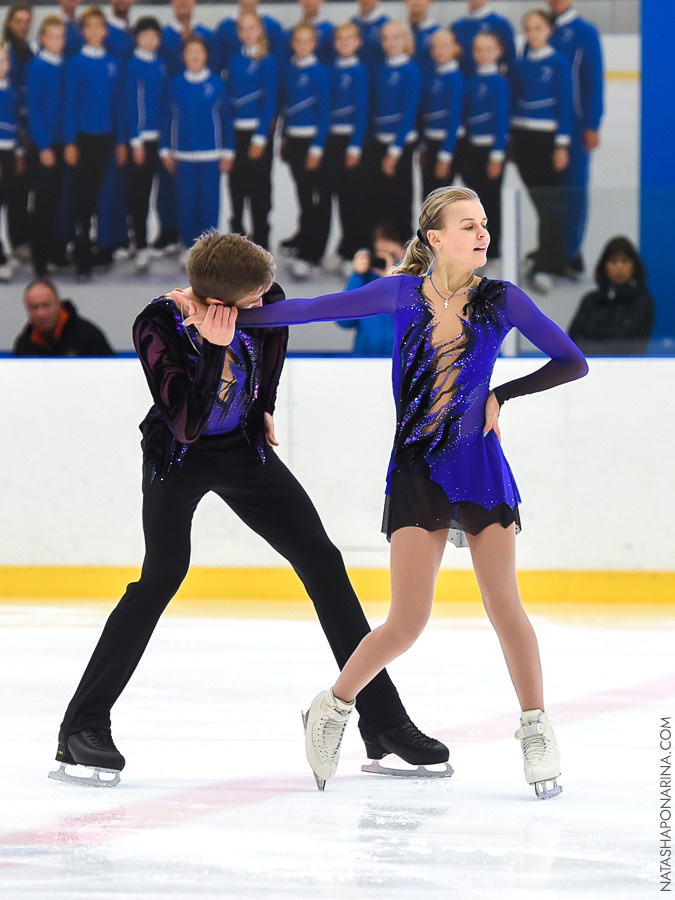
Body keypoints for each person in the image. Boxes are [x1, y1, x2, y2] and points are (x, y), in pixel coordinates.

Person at [49, 229, 448, 787]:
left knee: (322, 561)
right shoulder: (157, 324)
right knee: (162, 575)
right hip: (178, 457)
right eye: (253, 300)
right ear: (219, 302)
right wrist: (214, 348)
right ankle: (82, 726)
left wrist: (261, 405)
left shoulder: (266, 300)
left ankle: (383, 722)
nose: (265, 304)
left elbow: (273, 342)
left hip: (242, 450)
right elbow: (186, 425)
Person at [237, 186, 589, 798]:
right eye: (468, 225)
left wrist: (502, 394)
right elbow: (313, 309)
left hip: (480, 468)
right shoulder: (401, 294)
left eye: (484, 224)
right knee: (407, 620)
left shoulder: (502, 299)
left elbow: (571, 361)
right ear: (435, 237)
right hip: (417, 471)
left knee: (505, 607)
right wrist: (225, 314)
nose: (482, 234)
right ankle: (333, 707)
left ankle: (535, 728)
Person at [511, 9, 572, 294]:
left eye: (539, 28)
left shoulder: (559, 62)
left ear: (549, 31)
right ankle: (548, 255)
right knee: (540, 201)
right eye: (529, 29)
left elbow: (565, 103)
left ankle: (547, 264)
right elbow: (513, 102)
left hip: (547, 139)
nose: (533, 34)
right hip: (523, 138)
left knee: (550, 202)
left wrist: (562, 144)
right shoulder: (520, 65)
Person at [63, 5, 127, 280]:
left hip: (107, 139)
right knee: (83, 196)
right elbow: (69, 104)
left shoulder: (113, 63)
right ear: (82, 31)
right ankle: (82, 252)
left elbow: (119, 106)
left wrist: (121, 141)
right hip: (83, 139)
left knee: (105, 194)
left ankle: (105, 246)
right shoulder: (76, 63)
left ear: (105, 31)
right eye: (89, 27)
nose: (95, 31)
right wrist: (70, 142)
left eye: (99, 26)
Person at [160, 34, 233, 264]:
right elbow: (166, 118)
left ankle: (209, 248)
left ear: (206, 55)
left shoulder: (217, 83)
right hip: (183, 155)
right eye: (190, 52)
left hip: (211, 154)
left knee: (209, 202)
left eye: (199, 52)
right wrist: (165, 149)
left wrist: (228, 150)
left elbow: (226, 119)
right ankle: (189, 246)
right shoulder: (175, 84)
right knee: (186, 202)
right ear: (183, 56)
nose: (195, 56)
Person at [545, 0, 603, 274]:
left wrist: (592, 123)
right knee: (548, 190)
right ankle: (550, 247)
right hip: (544, 125)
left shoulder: (584, 32)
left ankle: (571, 250)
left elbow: (594, 79)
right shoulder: (542, 27)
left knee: (574, 188)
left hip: (577, 125)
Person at [278, 23, 330, 278]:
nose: (302, 45)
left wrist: (317, 148)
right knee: (302, 194)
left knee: (314, 198)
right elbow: (286, 108)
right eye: (298, 41)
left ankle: (312, 252)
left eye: (307, 41)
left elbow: (325, 112)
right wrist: (284, 138)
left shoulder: (319, 72)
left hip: (312, 142)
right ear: (293, 43)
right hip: (295, 141)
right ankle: (304, 238)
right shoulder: (290, 70)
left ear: (314, 44)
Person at [364, 20, 421, 243]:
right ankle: (384, 246)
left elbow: (409, 114)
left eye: (397, 37)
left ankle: (405, 245)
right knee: (380, 197)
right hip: (379, 141)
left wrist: (395, 151)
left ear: (406, 40)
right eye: (386, 38)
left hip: (401, 144)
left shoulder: (411, 71)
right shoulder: (379, 70)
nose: (391, 42)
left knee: (400, 196)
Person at [225, 11, 278, 250]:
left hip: (258, 134)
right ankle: (237, 239)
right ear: (238, 33)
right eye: (243, 29)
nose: (247, 33)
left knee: (259, 188)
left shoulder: (267, 60)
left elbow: (270, 100)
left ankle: (261, 240)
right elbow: (228, 98)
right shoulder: (233, 59)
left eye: (252, 28)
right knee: (236, 187)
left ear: (260, 30)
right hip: (236, 133)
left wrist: (260, 137)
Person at [322, 20, 370, 271]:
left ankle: (355, 250)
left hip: (351, 141)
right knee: (338, 195)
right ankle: (343, 247)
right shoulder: (330, 70)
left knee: (354, 198)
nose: (344, 43)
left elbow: (362, 111)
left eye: (350, 38)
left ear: (358, 42)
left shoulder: (360, 72)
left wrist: (355, 146)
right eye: (340, 38)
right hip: (332, 140)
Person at [459, 30, 509, 262]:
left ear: (499, 52)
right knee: (474, 204)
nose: (483, 54)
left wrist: (497, 155)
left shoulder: (499, 82)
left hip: (490, 151)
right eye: (479, 50)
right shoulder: (472, 79)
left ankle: (494, 251)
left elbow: (502, 121)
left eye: (489, 49)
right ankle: (476, 248)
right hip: (472, 149)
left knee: (490, 204)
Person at [27, 16, 68, 278]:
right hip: (44, 146)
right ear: (42, 38)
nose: (57, 41)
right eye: (52, 36)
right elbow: (34, 109)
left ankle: (54, 251)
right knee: (42, 202)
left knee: (56, 200)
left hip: (62, 143)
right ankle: (39, 257)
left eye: (60, 36)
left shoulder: (64, 65)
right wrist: (43, 146)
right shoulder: (37, 66)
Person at [126, 16, 167, 273]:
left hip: (160, 140)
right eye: (145, 36)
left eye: (154, 36)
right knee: (139, 194)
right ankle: (139, 243)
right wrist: (135, 140)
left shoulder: (161, 64)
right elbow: (130, 104)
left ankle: (162, 237)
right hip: (141, 141)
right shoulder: (132, 65)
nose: (150, 41)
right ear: (137, 38)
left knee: (159, 192)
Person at [568, 236, 654, 356]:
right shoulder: (590, 300)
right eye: (613, 261)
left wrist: (594, 332)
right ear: (604, 266)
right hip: (589, 362)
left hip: (629, 363)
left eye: (625, 261)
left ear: (634, 266)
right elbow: (573, 338)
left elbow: (627, 339)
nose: (619, 267)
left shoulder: (642, 302)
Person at [336, 223, 402, 356]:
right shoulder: (364, 282)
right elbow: (344, 321)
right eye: (381, 256)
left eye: (393, 255)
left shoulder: (416, 281)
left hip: (402, 362)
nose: (387, 261)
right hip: (365, 360)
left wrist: (397, 280)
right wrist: (357, 276)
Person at [12, 277, 114, 356]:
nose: (41, 314)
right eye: (34, 308)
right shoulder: (24, 344)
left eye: (46, 305)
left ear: (59, 304)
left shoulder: (88, 337)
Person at [419, 26, 464, 199]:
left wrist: (446, 155)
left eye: (444, 46)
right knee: (427, 197)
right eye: (435, 46)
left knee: (441, 200)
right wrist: (424, 146)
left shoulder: (455, 79)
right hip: (431, 142)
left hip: (447, 144)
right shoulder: (433, 76)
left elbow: (455, 120)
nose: (439, 51)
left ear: (455, 48)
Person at [0, 41, 25, 283]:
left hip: (10, 153)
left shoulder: (12, 90)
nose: (2, 65)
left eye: (4, 61)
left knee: (12, 203)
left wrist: (18, 153)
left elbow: (16, 126)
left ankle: (11, 248)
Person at [450, 0, 516, 78]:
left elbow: (511, 60)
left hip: (491, 82)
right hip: (465, 81)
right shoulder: (457, 27)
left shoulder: (501, 24)